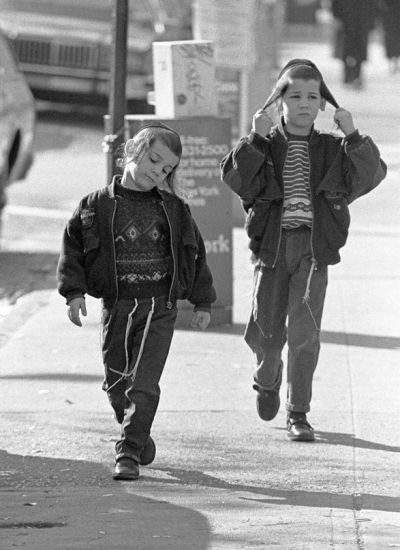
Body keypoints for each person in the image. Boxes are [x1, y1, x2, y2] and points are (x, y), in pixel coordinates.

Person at [220, 59, 386, 442]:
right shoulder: (266, 145)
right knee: (266, 333)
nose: (305, 103)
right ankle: (267, 376)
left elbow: (372, 174)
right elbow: (235, 178)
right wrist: (255, 139)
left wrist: (354, 135)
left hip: (313, 253)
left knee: (305, 335)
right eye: (295, 95)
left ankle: (299, 412)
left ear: (324, 104)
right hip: (273, 250)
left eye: (313, 96)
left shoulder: (332, 148)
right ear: (279, 103)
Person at [57, 122, 216, 479]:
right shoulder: (94, 206)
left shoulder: (174, 209)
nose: (156, 171)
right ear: (132, 150)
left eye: (166, 169)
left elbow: (195, 253)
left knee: (143, 383)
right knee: (116, 381)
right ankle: (139, 434)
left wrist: (203, 302)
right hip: (119, 306)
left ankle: (127, 451)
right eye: (153, 159)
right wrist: (74, 292)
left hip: (160, 307)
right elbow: (74, 250)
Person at [331, 0, 377, 88]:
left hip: (362, 18)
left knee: (359, 48)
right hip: (346, 19)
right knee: (347, 48)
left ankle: (357, 75)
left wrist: (372, 20)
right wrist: (336, 16)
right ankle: (348, 75)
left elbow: (373, 3)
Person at [379, 0, 400, 74]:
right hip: (389, 15)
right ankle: (392, 60)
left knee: (395, 39)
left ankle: (395, 60)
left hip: (394, 15)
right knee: (391, 39)